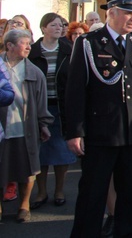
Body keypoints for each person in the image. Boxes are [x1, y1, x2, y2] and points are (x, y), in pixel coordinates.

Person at [66, 0, 132, 237]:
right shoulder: (89, 43)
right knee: (92, 195)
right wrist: (74, 131)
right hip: (101, 133)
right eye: (129, 13)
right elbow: (76, 90)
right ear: (112, 13)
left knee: (130, 195)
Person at [0, 29, 52, 223]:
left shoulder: (34, 72)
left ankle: (24, 205)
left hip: (24, 127)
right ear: (10, 46)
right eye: (24, 43)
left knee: (27, 168)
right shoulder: (0, 67)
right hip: (2, 128)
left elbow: (41, 102)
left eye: (29, 42)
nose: (29, 46)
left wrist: (43, 124)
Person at [29, 13, 75, 211]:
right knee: (41, 152)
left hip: (61, 106)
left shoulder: (68, 50)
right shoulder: (32, 51)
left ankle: (59, 190)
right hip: (39, 106)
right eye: (54, 25)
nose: (59, 28)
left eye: (61, 25)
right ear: (43, 28)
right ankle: (41, 191)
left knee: (61, 150)